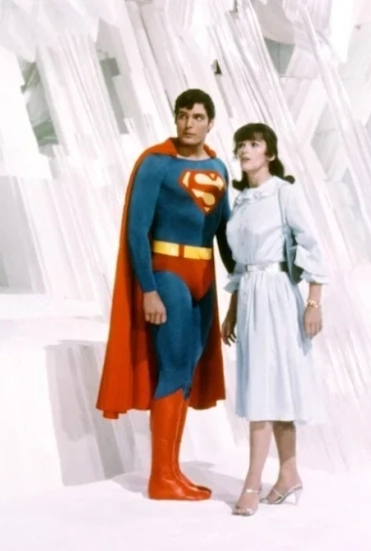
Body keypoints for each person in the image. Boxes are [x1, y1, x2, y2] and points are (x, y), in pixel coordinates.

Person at [95, 89, 234, 501]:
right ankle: (160, 478)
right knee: (172, 368)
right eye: (183, 115)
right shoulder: (156, 163)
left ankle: (172, 471)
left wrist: (244, 282)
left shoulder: (218, 167)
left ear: (211, 122)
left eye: (197, 116)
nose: (189, 123)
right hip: (168, 274)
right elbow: (136, 230)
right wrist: (149, 290)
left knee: (187, 369)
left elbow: (224, 232)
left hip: (203, 278)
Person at [221, 122, 327, 516]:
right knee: (270, 385)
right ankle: (289, 475)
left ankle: (252, 482)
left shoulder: (284, 192)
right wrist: (232, 311)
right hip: (250, 296)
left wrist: (314, 302)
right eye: (241, 145)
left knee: (268, 388)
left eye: (253, 144)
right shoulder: (242, 201)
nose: (245, 150)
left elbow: (311, 245)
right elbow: (240, 264)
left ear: (269, 152)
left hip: (278, 295)